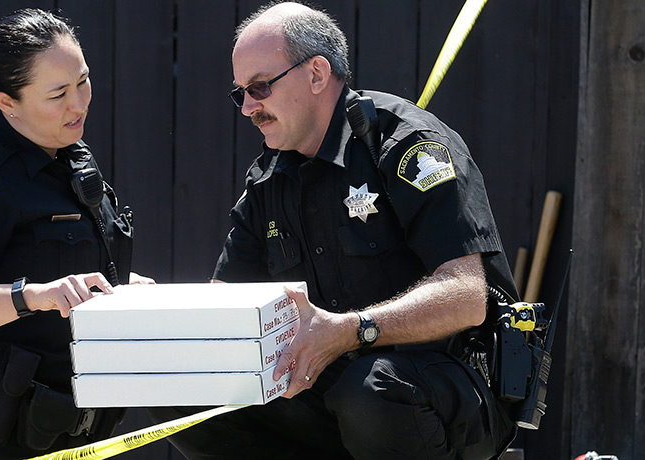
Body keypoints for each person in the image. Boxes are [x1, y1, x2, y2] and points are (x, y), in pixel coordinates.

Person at [149, 2, 518, 459]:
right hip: (335, 394)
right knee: (180, 383)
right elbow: (222, 304)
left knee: (371, 390)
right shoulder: (269, 179)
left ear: (317, 74)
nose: (247, 108)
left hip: (447, 392)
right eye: (240, 93)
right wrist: (153, 308)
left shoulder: (406, 146)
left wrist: (351, 330)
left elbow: (466, 297)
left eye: (260, 88)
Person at [0, 8, 153, 459]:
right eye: (57, 94)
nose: (78, 103)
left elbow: (61, 275)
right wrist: (29, 297)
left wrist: (118, 289)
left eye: (83, 80)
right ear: (6, 103)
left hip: (75, 436)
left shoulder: (71, 159)